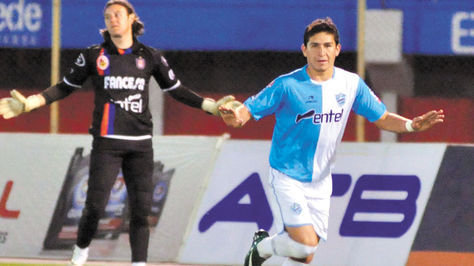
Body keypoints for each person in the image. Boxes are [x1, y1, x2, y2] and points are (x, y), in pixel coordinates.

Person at [0, 1, 234, 265]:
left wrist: (211, 106)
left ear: (132, 18)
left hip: (141, 145)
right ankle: (80, 250)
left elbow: (176, 90)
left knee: (141, 211)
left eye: (118, 15)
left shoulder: (151, 56)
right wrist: (31, 103)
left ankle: (139, 263)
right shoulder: (93, 55)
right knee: (94, 208)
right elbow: (64, 87)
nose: (112, 19)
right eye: (108, 16)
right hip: (106, 145)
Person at [219, 17, 444, 266]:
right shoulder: (286, 85)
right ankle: (261, 249)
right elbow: (245, 114)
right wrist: (234, 115)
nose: (321, 52)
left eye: (327, 45)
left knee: (305, 254)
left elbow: (382, 118)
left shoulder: (350, 84)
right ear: (304, 50)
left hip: (321, 181)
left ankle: (261, 248)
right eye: (315, 45)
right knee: (303, 244)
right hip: (287, 176)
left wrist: (412, 125)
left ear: (337, 49)